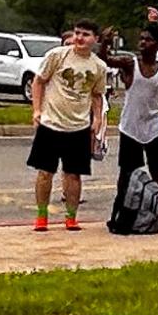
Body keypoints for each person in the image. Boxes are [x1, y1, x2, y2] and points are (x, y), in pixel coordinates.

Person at [27, 20, 109, 231]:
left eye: (86, 35)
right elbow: (38, 81)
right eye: (77, 33)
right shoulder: (57, 55)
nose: (80, 38)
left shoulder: (98, 66)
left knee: (73, 174)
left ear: (95, 39)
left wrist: (97, 119)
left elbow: (97, 95)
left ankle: (71, 217)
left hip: (79, 127)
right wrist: (37, 110)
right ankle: (42, 215)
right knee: (45, 172)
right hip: (51, 124)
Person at [107, 26, 158, 224]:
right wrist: (104, 43)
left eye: (147, 40)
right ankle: (122, 211)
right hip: (130, 127)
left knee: (157, 171)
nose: (142, 43)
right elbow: (105, 59)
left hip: (154, 127)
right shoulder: (130, 64)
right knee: (127, 172)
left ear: (157, 45)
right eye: (141, 39)